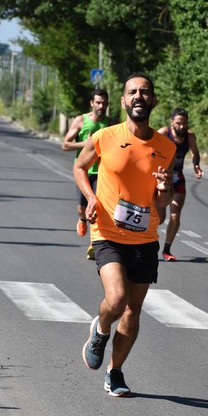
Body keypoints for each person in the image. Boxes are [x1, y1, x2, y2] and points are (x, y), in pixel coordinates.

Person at [73, 73, 176, 397]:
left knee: (133, 310)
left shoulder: (166, 147)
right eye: (132, 92)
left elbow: (161, 201)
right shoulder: (105, 136)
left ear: (153, 101)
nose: (139, 96)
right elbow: (79, 167)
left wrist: (164, 189)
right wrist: (91, 199)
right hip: (106, 231)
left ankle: (114, 372)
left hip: (145, 238)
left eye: (145, 92)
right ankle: (101, 330)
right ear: (123, 100)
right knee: (116, 299)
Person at [63, 88, 114, 259]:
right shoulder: (81, 120)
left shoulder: (110, 123)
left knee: (98, 207)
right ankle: (82, 219)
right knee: (82, 208)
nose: (101, 106)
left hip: (102, 173)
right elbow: (66, 145)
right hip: (83, 170)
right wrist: (87, 143)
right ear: (92, 103)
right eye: (98, 102)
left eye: (104, 103)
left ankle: (93, 243)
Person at [156, 108, 204, 261]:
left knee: (175, 215)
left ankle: (166, 250)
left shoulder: (190, 136)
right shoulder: (164, 133)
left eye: (184, 123)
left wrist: (196, 165)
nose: (182, 127)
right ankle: (145, 242)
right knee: (160, 218)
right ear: (172, 123)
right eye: (178, 123)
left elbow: (195, 153)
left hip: (177, 178)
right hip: (162, 178)